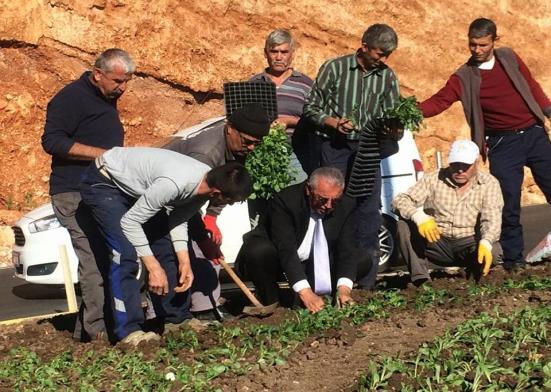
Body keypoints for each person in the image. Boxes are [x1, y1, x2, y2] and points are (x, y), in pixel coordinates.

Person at [80, 147, 252, 344]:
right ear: (217, 193)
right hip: (105, 182)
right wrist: (153, 267)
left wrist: (184, 261)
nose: (228, 205)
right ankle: (128, 332)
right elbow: (130, 222)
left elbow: (178, 218)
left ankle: (176, 319)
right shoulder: (174, 184)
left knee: (166, 246)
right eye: (229, 201)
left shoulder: (205, 184)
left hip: (138, 189)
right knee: (125, 253)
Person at [418, 18, 551, 272]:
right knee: (508, 203)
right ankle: (514, 262)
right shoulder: (464, 76)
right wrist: (412, 112)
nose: (476, 50)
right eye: (472, 44)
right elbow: (439, 102)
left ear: (494, 41)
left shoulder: (509, 58)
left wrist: (547, 110)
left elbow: (532, 86)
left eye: (482, 45)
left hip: (534, 134)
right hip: (502, 142)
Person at [41, 48, 135, 342]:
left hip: (100, 191)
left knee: (111, 256)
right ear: (97, 74)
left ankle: (96, 327)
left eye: (127, 81)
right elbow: (52, 141)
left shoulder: (105, 98)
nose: (122, 88)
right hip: (73, 193)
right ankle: (96, 334)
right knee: (93, 261)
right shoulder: (70, 98)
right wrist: (105, 156)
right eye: (117, 81)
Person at [303, 24, 402, 289]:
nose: (383, 60)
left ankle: (365, 284)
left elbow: (392, 113)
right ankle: (330, 281)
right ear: (364, 45)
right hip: (334, 146)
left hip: (368, 148)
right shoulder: (335, 68)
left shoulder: (387, 77)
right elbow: (310, 107)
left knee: (368, 212)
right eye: (380, 54)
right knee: (333, 208)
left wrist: (393, 127)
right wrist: (333, 122)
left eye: (387, 55)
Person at [163, 103, 271, 320]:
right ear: (230, 128)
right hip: (165, 198)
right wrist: (202, 236)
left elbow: (228, 183)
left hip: (187, 197)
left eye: (256, 144)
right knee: (180, 249)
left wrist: (212, 216)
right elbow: (184, 204)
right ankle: (179, 316)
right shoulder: (204, 154)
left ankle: (205, 308)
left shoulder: (239, 146)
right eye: (248, 142)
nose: (250, 148)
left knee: (208, 245)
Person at [236, 167, 369, 313]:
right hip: (277, 260)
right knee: (259, 251)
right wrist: (304, 292)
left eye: (335, 200)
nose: (329, 206)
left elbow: (347, 249)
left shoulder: (346, 205)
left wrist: (344, 289)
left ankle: (329, 296)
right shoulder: (286, 200)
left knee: (363, 259)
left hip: (315, 264)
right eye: (322, 199)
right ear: (308, 190)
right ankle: (272, 300)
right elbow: (286, 249)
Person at [392, 140, 504, 285]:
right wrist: (418, 216)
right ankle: (421, 280)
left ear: (476, 162)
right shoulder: (434, 179)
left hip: (469, 243)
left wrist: (486, 241)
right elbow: (400, 200)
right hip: (437, 241)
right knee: (403, 226)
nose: (460, 170)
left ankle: (477, 275)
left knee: (494, 250)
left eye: (466, 166)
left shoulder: (489, 184)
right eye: (455, 165)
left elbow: (492, 218)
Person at [249, 29, 313, 183]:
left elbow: (315, 121)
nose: (279, 57)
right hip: (259, 154)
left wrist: (289, 121)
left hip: (295, 154)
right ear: (265, 53)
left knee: (294, 201)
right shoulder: (253, 83)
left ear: (292, 53)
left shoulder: (306, 84)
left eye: (284, 52)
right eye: (274, 51)